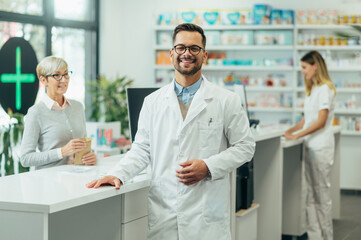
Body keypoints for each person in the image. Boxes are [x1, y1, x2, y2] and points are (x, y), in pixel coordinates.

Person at [86, 23, 255, 240]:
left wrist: (208, 166)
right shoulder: (153, 102)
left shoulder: (226, 100)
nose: (187, 53)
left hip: (206, 217)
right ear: (171, 54)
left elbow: (246, 146)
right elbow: (142, 149)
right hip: (164, 213)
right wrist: (118, 173)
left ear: (204, 56)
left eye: (194, 48)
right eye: (181, 47)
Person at [284, 50, 336, 240]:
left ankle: (327, 236)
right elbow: (308, 119)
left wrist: (297, 135)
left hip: (320, 147)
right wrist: (289, 131)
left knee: (320, 195)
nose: (302, 72)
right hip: (311, 146)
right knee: (311, 196)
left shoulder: (324, 88)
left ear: (315, 66)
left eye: (305, 68)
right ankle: (315, 236)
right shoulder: (313, 88)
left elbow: (321, 121)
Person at [21, 56, 97, 169]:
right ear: (43, 80)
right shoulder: (35, 113)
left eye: (66, 74)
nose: (64, 79)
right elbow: (26, 158)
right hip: (49, 182)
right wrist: (62, 152)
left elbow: (84, 145)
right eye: (57, 75)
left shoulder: (78, 107)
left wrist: (90, 156)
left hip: (78, 178)